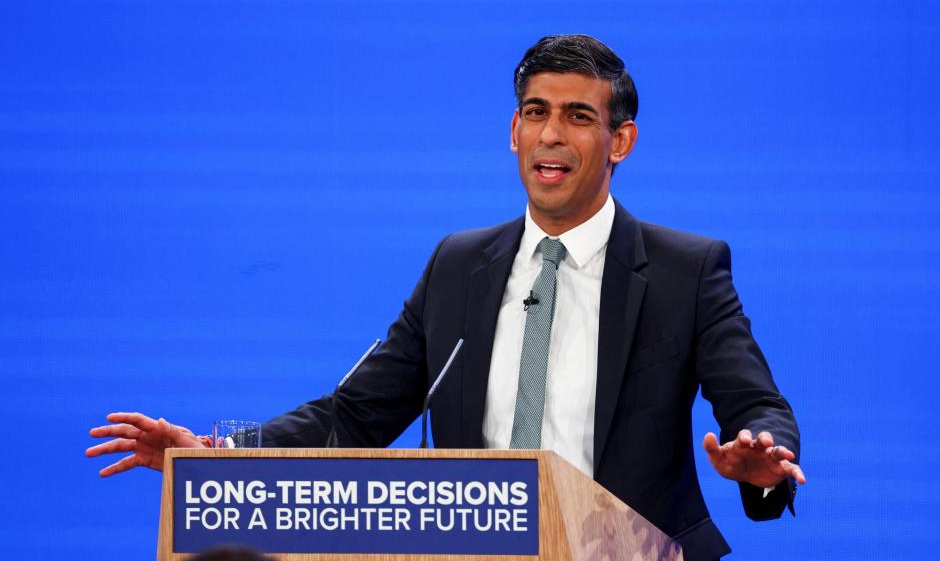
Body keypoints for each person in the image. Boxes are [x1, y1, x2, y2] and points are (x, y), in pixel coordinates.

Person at [88, 34, 804, 560]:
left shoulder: (685, 269)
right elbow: (356, 414)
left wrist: (763, 461)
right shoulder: (459, 265)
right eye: (535, 112)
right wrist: (217, 458)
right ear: (513, 130)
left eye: (579, 117)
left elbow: (756, 406)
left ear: (622, 141)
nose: (551, 135)